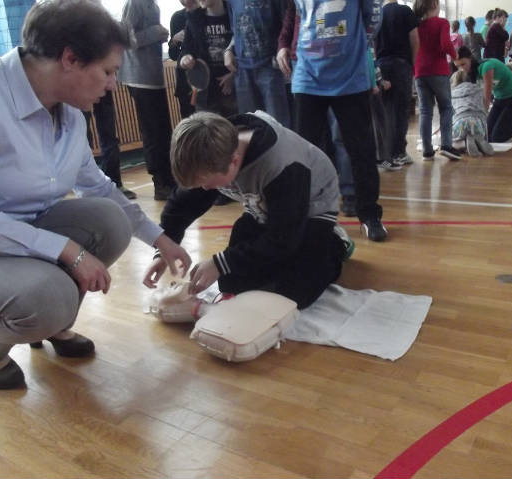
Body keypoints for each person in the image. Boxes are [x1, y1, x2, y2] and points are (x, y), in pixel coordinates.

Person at [0, 0, 191, 390]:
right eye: (108, 71)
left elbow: (99, 187)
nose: (113, 84)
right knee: (50, 296)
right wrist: (67, 250)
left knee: (109, 220)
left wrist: (161, 240)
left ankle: (52, 322)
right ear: (70, 59)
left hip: (15, 239)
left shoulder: (68, 113)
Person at [145, 111, 349, 310]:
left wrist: (220, 263)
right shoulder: (212, 153)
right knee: (231, 284)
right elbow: (181, 206)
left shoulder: (282, 165)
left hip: (311, 209)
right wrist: (163, 249)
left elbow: (283, 238)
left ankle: (335, 243)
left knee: (294, 295)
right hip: (265, 208)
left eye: (207, 183)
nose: (204, 189)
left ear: (234, 161)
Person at [291, 0, 389, 241]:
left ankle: (369, 214)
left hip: (350, 77)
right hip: (308, 76)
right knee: (302, 154)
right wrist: (286, 46)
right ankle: (302, 215)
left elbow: (373, 16)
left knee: (362, 150)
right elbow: (299, 15)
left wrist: (355, 45)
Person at [119, 0, 177, 200]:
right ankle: (160, 183)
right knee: (152, 133)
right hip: (140, 78)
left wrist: (160, 35)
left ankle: (169, 178)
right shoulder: (135, 3)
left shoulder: (153, 5)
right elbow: (127, 39)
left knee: (163, 132)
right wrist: (155, 32)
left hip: (154, 76)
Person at [454, 46, 512, 143]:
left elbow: (486, 98)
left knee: (497, 137)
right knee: (488, 136)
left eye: (463, 64)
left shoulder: (486, 67)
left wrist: (479, 119)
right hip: (500, 99)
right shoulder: (471, 73)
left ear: (470, 59)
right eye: (458, 66)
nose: (461, 69)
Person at [224, 0, 291, 128]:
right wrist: (229, 50)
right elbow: (234, 29)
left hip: (270, 67)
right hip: (242, 70)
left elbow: (287, 25)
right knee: (247, 124)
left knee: (277, 124)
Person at [413, 0, 461, 161]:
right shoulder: (442, 22)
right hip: (438, 70)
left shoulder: (417, 25)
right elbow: (446, 44)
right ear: (434, 4)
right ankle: (446, 145)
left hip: (419, 72)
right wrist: (455, 56)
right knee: (446, 108)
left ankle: (427, 150)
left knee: (425, 111)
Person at [374, 0, 419, 166]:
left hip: (381, 65)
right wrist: (411, 64)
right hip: (401, 64)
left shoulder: (377, 14)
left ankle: (385, 154)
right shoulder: (405, 11)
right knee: (401, 111)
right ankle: (399, 152)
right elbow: (415, 39)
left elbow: (372, 42)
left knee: (385, 111)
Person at [179, 0, 237, 118]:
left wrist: (235, 74)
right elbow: (186, 49)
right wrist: (185, 59)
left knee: (237, 126)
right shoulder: (193, 19)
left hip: (234, 91)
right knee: (208, 128)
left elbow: (247, 49)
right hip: (205, 94)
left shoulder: (235, 13)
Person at [450, 70, 494, 156]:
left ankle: (463, 143)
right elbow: (484, 106)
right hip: (478, 122)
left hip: (460, 122)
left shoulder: (451, 93)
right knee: (477, 132)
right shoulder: (478, 89)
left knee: (451, 143)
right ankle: (477, 140)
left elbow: (449, 114)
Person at [169, 0, 199, 119]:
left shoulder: (209, 11)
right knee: (189, 119)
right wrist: (174, 40)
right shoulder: (177, 17)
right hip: (185, 79)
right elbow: (173, 55)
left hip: (206, 75)